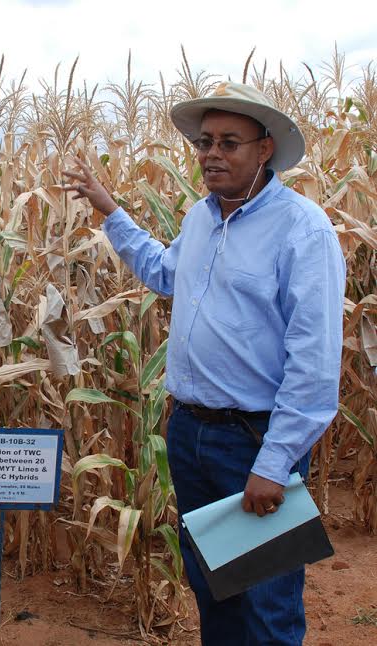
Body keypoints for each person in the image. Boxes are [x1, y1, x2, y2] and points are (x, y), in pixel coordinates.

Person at [63, 82, 346, 645]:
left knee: (268, 606)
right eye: (204, 142)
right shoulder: (199, 218)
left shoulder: (302, 230)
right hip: (192, 436)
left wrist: (274, 462)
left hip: (254, 441)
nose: (211, 153)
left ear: (264, 150)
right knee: (215, 589)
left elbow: (313, 366)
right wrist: (109, 208)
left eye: (229, 143)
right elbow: (166, 274)